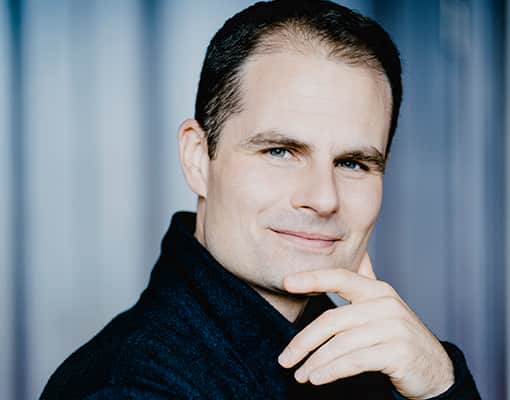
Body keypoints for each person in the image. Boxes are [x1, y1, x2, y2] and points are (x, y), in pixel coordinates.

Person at [40, 1, 481, 399]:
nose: (323, 199)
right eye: (280, 152)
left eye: (352, 163)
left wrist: (440, 385)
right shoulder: (132, 386)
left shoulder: (384, 368)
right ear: (198, 159)